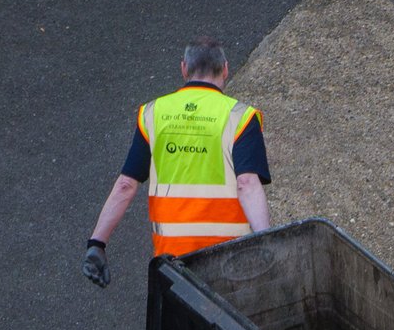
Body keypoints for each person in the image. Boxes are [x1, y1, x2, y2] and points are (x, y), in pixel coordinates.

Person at [83, 36, 271, 286]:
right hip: (231, 259)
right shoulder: (241, 117)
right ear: (225, 69)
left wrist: (97, 243)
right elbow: (247, 183)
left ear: (184, 68)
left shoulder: (153, 113)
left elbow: (125, 185)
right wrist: (269, 245)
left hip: (172, 260)